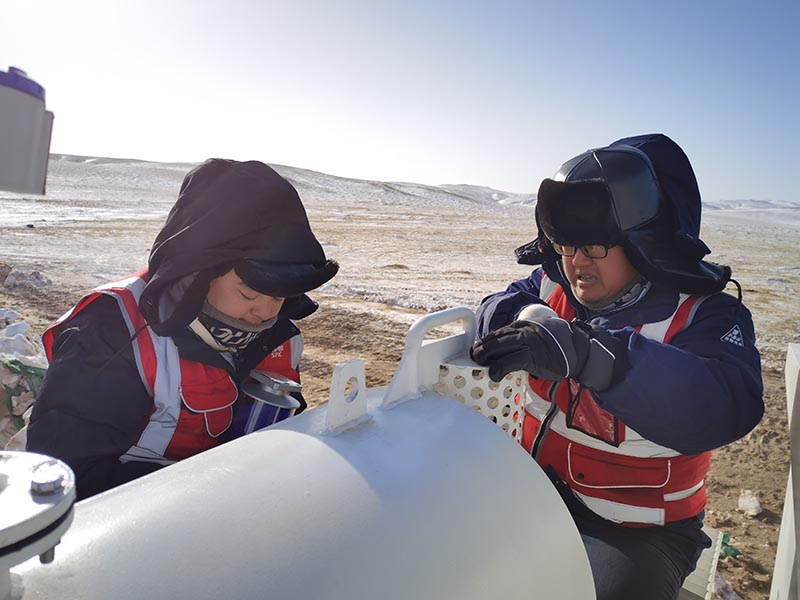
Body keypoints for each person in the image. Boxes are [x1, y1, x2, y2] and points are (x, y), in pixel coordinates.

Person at [471, 134, 763, 600]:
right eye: (564, 245)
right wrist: (529, 320)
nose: (575, 262)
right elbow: (495, 306)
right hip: (533, 488)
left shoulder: (704, 316)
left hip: (640, 529)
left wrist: (592, 356)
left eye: (594, 246)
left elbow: (725, 404)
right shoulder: (554, 283)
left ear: (642, 242)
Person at [27, 159, 339, 500]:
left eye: (280, 296)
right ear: (199, 272)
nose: (264, 312)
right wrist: (211, 489)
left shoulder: (279, 334)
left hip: (228, 511)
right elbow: (68, 475)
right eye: (249, 292)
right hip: (136, 526)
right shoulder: (113, 328)